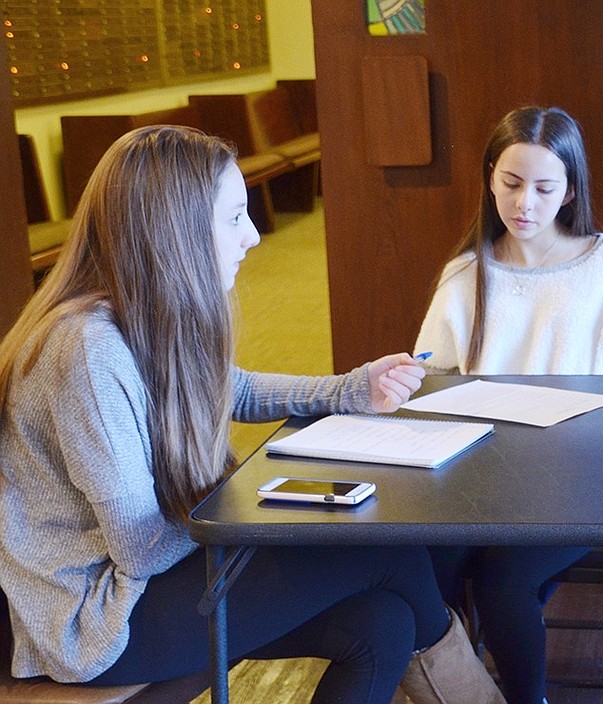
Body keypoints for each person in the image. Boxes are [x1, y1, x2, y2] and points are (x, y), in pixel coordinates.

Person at [0, 125, 504, 704]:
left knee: (381, 624)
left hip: (140, 581)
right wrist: (263, 503)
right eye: (235, 217)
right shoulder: (87, 349)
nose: (254, 236)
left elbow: (228, 388)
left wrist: (349, 389)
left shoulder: (140, 312)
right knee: (383, 544)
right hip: (91, 616)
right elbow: (141, 546)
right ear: (177, 230)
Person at [414, 106, 603, 703]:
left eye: (544, 188)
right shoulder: (467, 273)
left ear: (570, 190)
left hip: (587, 480)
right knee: (427, 565)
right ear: (489, 180)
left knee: (504, 583)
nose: (524, 203)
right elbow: (432, 380)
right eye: (510, 183)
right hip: (482, 480)